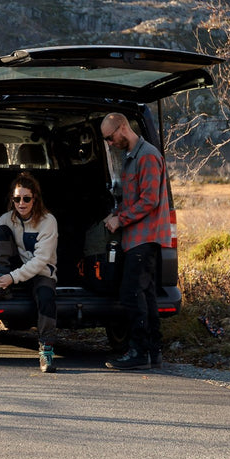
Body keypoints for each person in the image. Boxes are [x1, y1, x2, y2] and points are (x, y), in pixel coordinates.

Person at [100, 112, 171, 370]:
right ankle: (153, 352)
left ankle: (139, 352)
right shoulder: (131, 157)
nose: (109, 143)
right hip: (135, 238)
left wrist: (121, 220)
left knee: (131, 294)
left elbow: (150, 200)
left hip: (145, 238)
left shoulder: (147, 155)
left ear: (122, 127)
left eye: (110, 137)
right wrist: (116, 214)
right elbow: (134, 200)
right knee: (147, 296)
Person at [0, 172, 59, 373]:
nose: (21, 203)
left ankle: (46, 350)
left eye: (26, 198)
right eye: (17, 199)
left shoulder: (48, 221)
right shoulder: (6, 219)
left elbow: (41, 260)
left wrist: (13, 277)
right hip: (13, 273)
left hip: (40, 273)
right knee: (0, 233)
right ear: (12, 200)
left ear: (35, 199)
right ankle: (0, 288)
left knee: (46, 296)